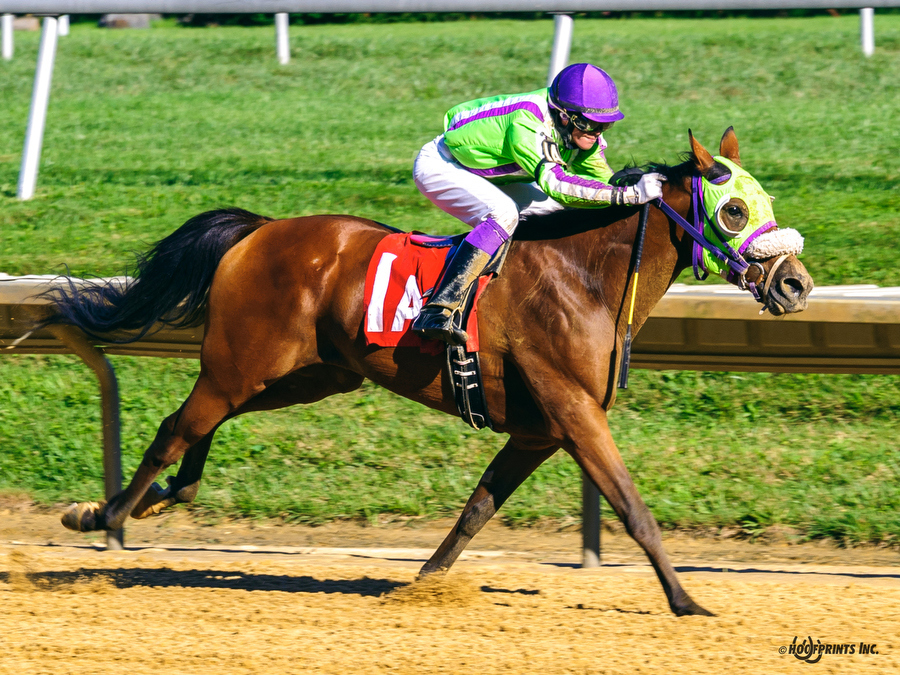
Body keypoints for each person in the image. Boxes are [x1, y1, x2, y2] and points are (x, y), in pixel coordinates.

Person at [410, 62, 665, 346]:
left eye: (606, 125)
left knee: (557, 212)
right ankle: (438, 309)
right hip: (442, 166)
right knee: (504, 213)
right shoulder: (527, 124)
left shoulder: (580, 131)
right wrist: (627, 195)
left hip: (493, 175)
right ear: (564, 117)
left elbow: (600, 179)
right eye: (591, 124)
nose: (598, 132)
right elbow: (558, 185)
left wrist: (629, 185)